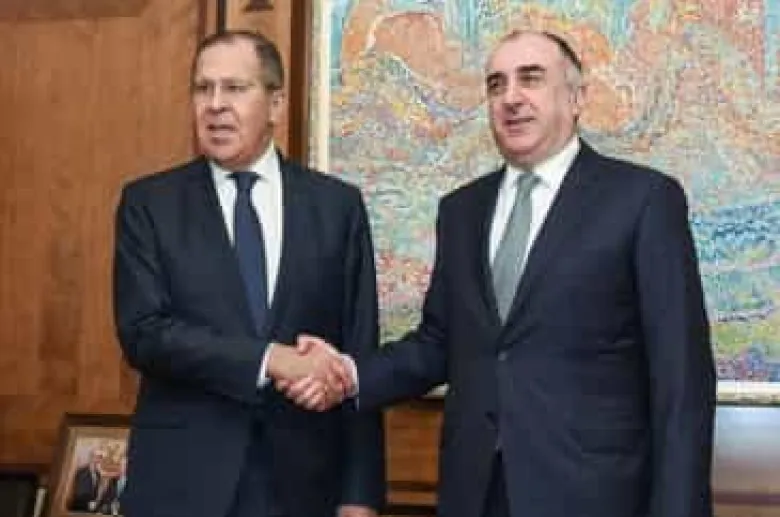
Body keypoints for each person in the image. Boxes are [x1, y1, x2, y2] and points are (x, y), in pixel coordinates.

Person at [284, 30, 716, 517]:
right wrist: (349, 373)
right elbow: (438, 344)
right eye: (496, 84)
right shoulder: (461, 211)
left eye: (530, 79)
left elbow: (681, 380)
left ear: (576, 98)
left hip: (594, 496)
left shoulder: (642, 200)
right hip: (476, 492)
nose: (511, 97)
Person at [112, 30, 384, 517]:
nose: (215, 105)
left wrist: (360, 495)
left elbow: (359, 351)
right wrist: (271, 359)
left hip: (304, 485)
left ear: (276, 104)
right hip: (182, 484)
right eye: (203, 88)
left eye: (235, 88)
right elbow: (144, 334)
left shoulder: (336, 207)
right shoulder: (150, 205)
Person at [69, 448, 105, 512]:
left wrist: (95, 503)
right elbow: (80, 492)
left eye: (101, 458)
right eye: (98, 457)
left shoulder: (98, 474)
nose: (99, 460)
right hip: (79, 508)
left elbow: (95, 492)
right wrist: (88, 503)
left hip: (91, 509)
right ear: (91, 457)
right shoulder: (82, 471)